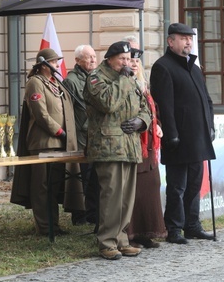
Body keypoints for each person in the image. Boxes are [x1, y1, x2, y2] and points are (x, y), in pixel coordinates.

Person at [84, 41, 151, 260]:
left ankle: (122, 239)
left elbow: (145, 108)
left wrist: (142, 122)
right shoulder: (96, 78)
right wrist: (123, 77)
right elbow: (108, 103)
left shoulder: (129, 78)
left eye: (128, 58)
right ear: (109, 59)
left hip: (129, 146)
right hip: (108, 147)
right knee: (112, 196)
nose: (126, 62)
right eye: (122, 59)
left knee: (126, 198)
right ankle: (106, 242)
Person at [150, 23, 216, 244]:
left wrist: (210, 125)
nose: (188, 42)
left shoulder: (194, 67)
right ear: (171, 41)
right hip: (178, 139)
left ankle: (192, 224)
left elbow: (206, 100)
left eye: (190, 38)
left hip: (198, 137)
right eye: (183, 38)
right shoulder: (163, 67)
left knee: (195, 185)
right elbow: (164, 106)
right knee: (177, 187)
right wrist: (171, 134)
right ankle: (174, 228)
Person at [10, 48, 83, 236]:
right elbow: (40, 113)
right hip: (43, 143)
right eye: (54, 62)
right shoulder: (35, 83)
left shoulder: (55, 83)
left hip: (59, 145)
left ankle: (54, 224)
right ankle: (44, 226)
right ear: (44, 65)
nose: (58, 65)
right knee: (41, 187)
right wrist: (59, 131)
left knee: (54, 186)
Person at [125, 43, 166, 248]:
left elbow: (151, 111)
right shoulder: (123, 83)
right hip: (133, 145)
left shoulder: (143, 85)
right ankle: (131, 235)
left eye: (137, 61)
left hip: (149, 146)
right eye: (130, 60)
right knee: (135, 191)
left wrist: (156, 125)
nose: (133, 64)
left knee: (150, 188)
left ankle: (147, 232)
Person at [62, 44, 100, 227]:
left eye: (94, 56)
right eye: (88, 57)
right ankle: (79, 215)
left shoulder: (96, 77)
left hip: (95, 135)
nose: (93, 60)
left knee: (94, 178)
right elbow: (69, 112)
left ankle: (92, 213)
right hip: (81, 137)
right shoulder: (71, 81)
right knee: (81, 178)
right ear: (77, 61)